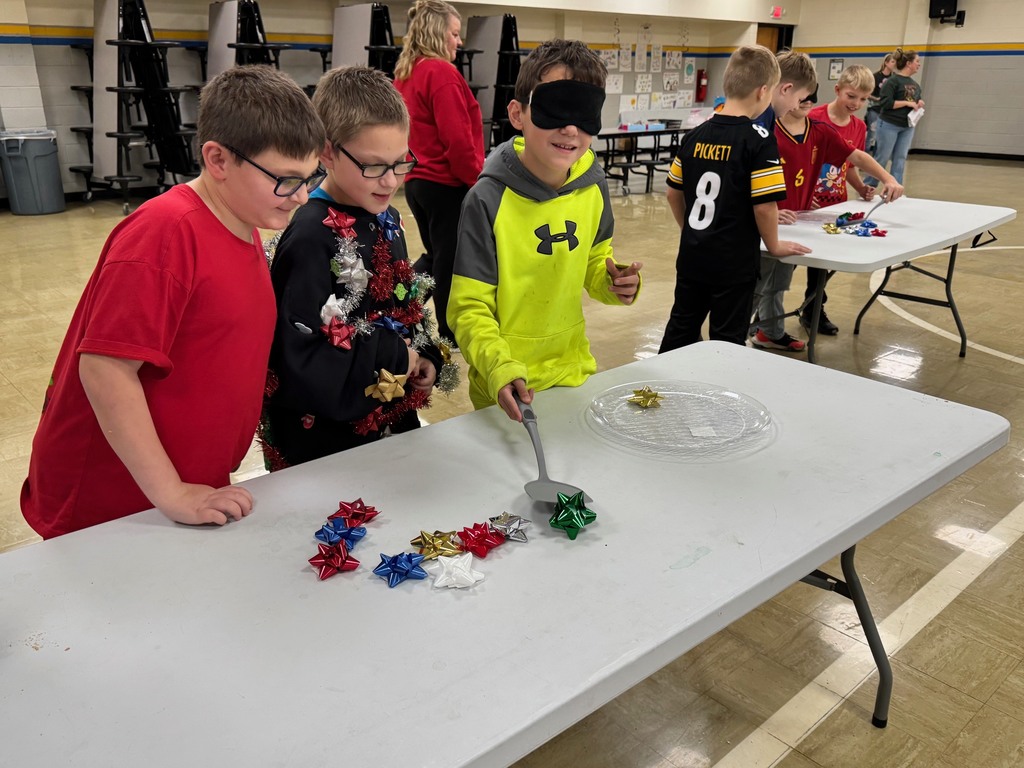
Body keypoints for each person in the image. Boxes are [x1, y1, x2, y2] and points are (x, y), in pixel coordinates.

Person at [20, 66, 326, 539]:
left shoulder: (243, 221)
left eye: (310, 177)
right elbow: (105, 370)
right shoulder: (165, 234)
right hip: (117, 498)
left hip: (183, 485)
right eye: (285, 180)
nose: (303, 196)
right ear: (218, 159)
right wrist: (172, 491)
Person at [260, 66, 458, 469]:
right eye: (373, 166)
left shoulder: (385, 217)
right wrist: (391, 355)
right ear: (328, 151)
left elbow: (405, 302)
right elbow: (297, 358)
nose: (389, 182)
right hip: (327, 447)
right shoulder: (311, 236)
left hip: (390, 428)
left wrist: (424, 356)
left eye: (400, 164)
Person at [448, 39, 642, 422]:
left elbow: (594, 259)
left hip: (574, 373)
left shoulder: (592, 184)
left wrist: (612, 281)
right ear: (518, 114)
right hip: (506, 388)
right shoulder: (486, 200)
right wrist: (498, 366)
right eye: (556, 107)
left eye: (584, 112)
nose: (570, 127)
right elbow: (468, 307)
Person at [661, 44, 811, 353]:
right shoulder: (759, 140)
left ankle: (663, 388)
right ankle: (720, 396)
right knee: (727, 337)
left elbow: (673, 191)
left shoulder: (693, 136)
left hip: (693, 254)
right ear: (763, 92)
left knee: (681, 327)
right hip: (734, 261)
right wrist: (774, 245)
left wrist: (689, 229)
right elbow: (765, 205)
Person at [750, 87, 903, 352]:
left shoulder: (819, 131)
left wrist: (887, 178)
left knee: (777, 285)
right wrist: (770, 211)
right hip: (763, 224)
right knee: (754, 288)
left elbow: (855, 156)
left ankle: (769, 332)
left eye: (809, 98)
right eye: (800, 97)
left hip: (795, 226)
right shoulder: (764, 130)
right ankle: (728, 340)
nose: (804, 103)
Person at [393, 0, 484, 344]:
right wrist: (477, 182)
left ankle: (399, 309)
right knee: (449, 261)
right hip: (446, 183)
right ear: (437, 32)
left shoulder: (406, 73)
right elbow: (457, 140)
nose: (459, 42)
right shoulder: (441, 73)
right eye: (455, 34)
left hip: (418, 183)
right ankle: (450, 332)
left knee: (435, 255)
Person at [799, 64, 879, 335]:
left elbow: (850, 164)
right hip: (806, 201)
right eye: (851, 96)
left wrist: (861, 188)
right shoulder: (814, 116)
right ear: (837, 90)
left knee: (822, 264)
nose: (857, 103)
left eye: (863, 99)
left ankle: (813, 309)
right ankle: (768, 315)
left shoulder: (858, 126)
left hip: (835, 203)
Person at [863, 48, 924, 187]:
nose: (919, 64)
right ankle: (868, 186)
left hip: (907, 126)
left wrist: (919, 102)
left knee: (900, 158)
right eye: (917, 61)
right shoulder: (892, 81)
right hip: (889, 124)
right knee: (882, 157)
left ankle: (896, 188)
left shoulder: (915, 84)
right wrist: (908, 103)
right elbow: (886, 102)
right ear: (908, 63)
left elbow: (916, 98)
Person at [865, 53, 896, 154]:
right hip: (874, 109)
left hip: (886, 111)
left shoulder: (894, 78)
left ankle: (876, 160)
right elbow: (867, 93)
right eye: (892, 62)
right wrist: (877, 99)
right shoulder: (875, 76)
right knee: (872, 134)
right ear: (886, 63)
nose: (894, 64)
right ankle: (865, 157)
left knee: (881, 136)